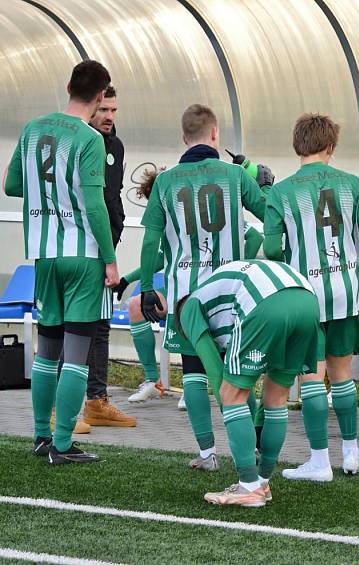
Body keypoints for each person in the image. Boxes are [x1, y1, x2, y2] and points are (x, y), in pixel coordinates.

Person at [2, 60, 119, 464]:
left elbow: (13, 184)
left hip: (45, 256)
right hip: (83, 255)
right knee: (77, 352)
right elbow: (94, 205)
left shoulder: (34, 128)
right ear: (101, 96)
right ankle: (64, 444)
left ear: (68, 85)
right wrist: (110, 260)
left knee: (48, 351)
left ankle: (39, 436)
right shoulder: (90, 139)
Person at [138, 104, 266, 471]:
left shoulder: (165, 181)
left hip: (185, 295)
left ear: (183, 138)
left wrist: (147, 287)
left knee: (193, 372)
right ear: (215, 134)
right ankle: (253, 447)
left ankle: (207, 454)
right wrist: (266, 184)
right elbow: (268, 217)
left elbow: (150, 242)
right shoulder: (235, 175)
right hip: (231, 292)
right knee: (239, 369)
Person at [264, 112, 359, 481]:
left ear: (298, 145)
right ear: (330, 146)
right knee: (342, 375)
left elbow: (270, 248)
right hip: (346, 291)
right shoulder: (353, 185)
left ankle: (319, 462)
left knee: (312, 378)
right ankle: (350, 453)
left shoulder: (280, 191)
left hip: (305, 295)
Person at [175, 259, 319, 507]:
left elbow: (216, 372)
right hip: (307, 298)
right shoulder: (218, 293)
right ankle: (262, 482)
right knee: (277, 398)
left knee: (231, 394)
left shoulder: (189, 309)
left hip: (264, 302)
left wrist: (239, 423)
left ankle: (248, 486)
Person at [120, 169, 266, 405]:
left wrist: (242, 265)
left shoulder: (210, 207)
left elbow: (256, 237)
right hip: (182, 287)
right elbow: (158, 258)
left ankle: (208, 389)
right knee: (136, 305)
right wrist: (129, 280)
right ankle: (152, 381)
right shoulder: (169, 220)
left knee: (220, 353)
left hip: (217, 287)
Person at [81, 84, 136, 428]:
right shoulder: (79, 141)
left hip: (105, 247)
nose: (109, 117)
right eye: (104, 110)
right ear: (90, 107)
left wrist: (114, 239)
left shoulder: (115, 145)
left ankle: (97, 400)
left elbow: (111, 198)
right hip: (77, 246)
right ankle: (62, 406)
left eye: (114, 110)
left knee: (101, 325)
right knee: (72, 326)